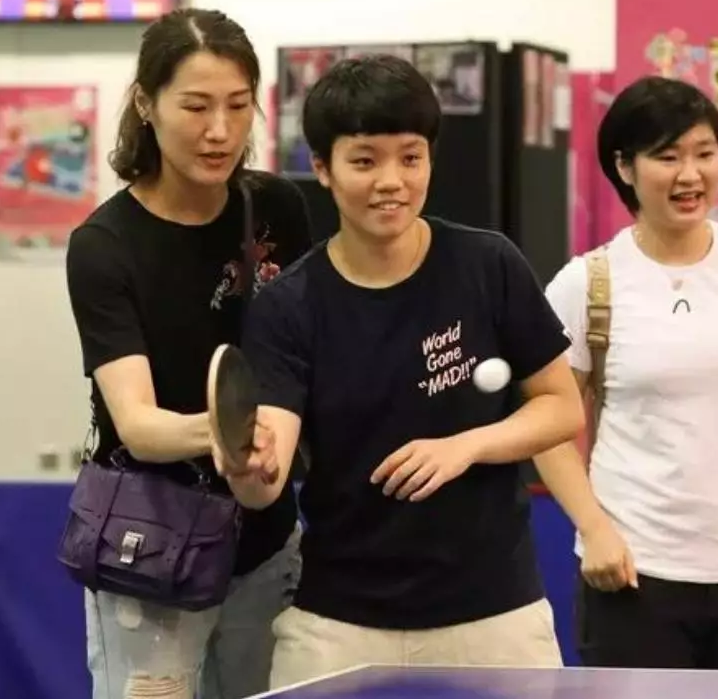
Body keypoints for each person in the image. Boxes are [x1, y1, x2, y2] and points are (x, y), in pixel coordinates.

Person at [211, 54, 585, 689]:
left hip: (494, 614)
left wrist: (467, 446)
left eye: (411, 158)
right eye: (364, 161)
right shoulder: (290, 305)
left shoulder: (489, 265)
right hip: (339, 623)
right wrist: (250, 468)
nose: (392, 181)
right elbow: (266, 476)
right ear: (323, 168)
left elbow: (561, 407)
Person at [537, 75, 718, 670]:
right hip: (633, 573)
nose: (690, 175)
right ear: (625, 167)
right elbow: (550, 426)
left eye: (704, 153)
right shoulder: (587, 283)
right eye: (667, 157)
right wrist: (594, 529)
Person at [64, 8, 313, 699]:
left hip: (266, 544)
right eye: (196, 106)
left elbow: (307, 351)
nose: (220, 130)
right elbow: (139, 425)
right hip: (150, 550)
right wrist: (235, 435)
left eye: (238, 105)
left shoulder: (276, 209)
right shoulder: (104, 246)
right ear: (146, 103)